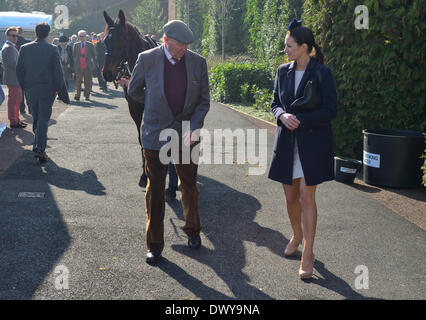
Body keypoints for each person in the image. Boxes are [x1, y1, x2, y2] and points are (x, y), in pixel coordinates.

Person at [126, 20, 210, 264]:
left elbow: (204, 101)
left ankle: (193, 231)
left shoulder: (197, 62)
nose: (182, 50)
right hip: (154, 134)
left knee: (190, 186)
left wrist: (195, 127)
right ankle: (154, 244)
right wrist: (154, 105)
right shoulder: (146, 58)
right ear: (166, 41)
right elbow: (134, 91)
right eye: (178, 46)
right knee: (155, 189)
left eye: (185, 46)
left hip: (186, 133)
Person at [268, 19, 337, 280]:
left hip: (313, 144)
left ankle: (308, 252)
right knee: (290, 198)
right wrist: (282, 116)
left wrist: (302, 120)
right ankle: (296, 234)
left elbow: (331, 110)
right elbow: (275, 103)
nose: (285, 50)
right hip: (286, 143)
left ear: (304, 47)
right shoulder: (282, 71)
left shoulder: (323, 73)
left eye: (289, 46)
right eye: (286, 46)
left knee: (307, 198)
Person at [16, 22, 68, 163]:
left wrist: (23, 86)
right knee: (43, 118)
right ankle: (40, 148)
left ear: (35, 32)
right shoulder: (52, 48)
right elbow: (58, 71)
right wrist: (60, 88)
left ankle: (38, 144)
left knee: (37, 117)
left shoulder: (24, 48)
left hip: (30, 88)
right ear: (47, 33)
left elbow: (19, 69)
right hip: (47, 88)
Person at [1, 27, 26, 128]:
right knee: (14, 100)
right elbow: (12, 64)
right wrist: (23, 66)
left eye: (17, 35)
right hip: (13, 78)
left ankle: (16, 119)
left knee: (17, 100)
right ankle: (13, 121)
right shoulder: (9, 47)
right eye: (13, 35)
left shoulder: (11, 46)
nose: (16, 37)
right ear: (7, 36)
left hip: (14, 78)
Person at [72, 30, 97, 101]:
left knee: (88, 82)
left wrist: (94, 65)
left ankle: (87, 95)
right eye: (80, 36)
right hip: (78, 66)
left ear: (85, 36)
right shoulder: (76, 45)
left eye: (83, 36)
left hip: (88, 66)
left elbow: (94, 55)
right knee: (78, 82)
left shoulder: (90, 44)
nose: (81, 38)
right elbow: (74, 55)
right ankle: (77, 95)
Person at [16, 27, 31, 115]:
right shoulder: (28, 42)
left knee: (20, 90)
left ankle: (22, 109)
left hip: (18, 68)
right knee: (28, 90)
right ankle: (30, 108)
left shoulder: (15, 42)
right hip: (27, 69)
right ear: (22, 33)